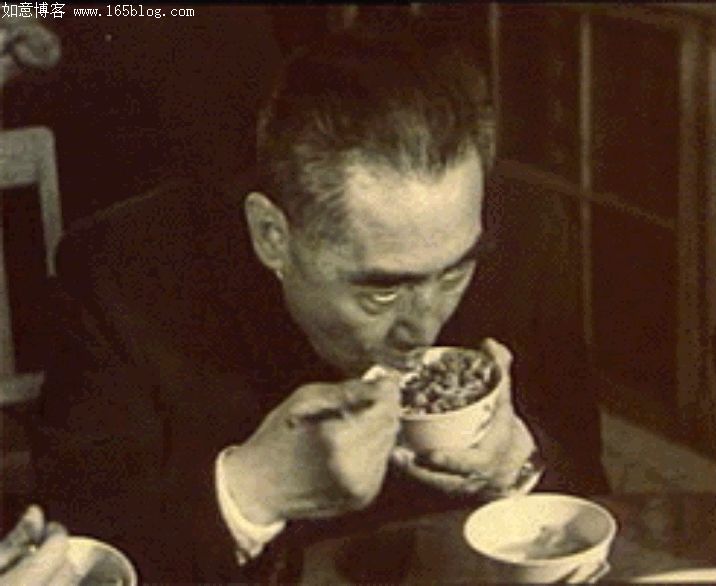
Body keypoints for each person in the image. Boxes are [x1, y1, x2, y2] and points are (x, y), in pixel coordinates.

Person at [32, 31, 608, 581]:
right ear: (272, 236)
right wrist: (252, 492)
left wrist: (517, 467)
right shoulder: (124, 275)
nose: (425, 327)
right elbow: (79, 557)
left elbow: (593, 492)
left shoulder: (528, 235)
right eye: (382, 290)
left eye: (455, 273)